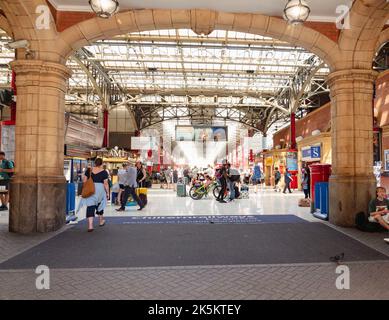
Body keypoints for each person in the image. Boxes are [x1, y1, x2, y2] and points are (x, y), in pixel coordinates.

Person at [78, 158, 109, 232]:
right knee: (100, 204)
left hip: (90, 189)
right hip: (100, 190)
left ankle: (90, 226)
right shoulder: (104, 172)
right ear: (101, 164)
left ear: (94, 163)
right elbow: (105, 183)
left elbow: (84, 180)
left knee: (90, 206)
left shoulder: (89, 170)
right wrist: (107, 193)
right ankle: (101, 221)